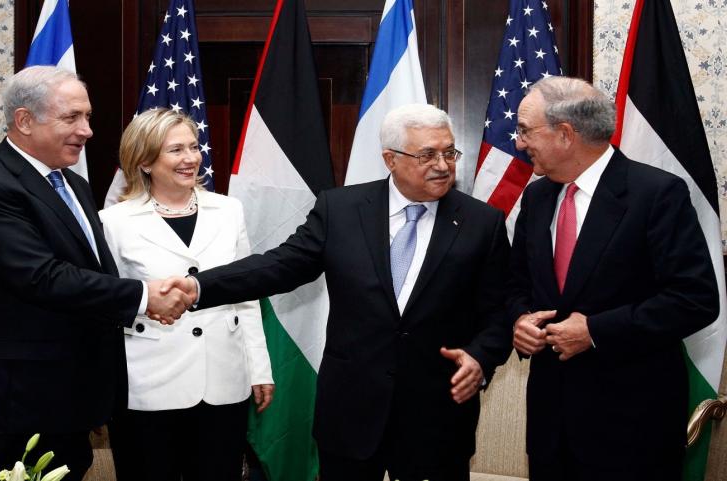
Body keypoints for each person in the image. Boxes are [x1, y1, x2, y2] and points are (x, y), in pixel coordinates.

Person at [165, 104, 514, 481]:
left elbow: (501, 310)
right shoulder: (342, 209)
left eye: (449, 152)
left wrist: (481, 358)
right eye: (427, 154)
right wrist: (200, 286)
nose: (443, 165)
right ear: (390, 159)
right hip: (351, 413)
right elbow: (280, 265)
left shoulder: (483, 222)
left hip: (438, 415)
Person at [0, 66, 194, 481]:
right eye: (71, 117)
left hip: (67, 400)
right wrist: (144, 298)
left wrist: (143, 299)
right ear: (24, 120)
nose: (87, 130)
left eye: (87, 116)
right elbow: (42, 277)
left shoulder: (73, 184)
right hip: (6, 407)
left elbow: (91, 271)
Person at [507, 77, 719, 481]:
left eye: (524, 130)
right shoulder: (536, 198)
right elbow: (515, 284)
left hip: (631, 428)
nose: (518, 143)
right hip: (552, 427)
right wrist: (520, 320)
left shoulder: (655, 194)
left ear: (565, 134)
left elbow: (695, 299)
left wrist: (596, 331)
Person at [99, 109, 274, 481]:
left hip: (224, 381)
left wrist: (259, 368)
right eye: (175, 149)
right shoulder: (113, 221)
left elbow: (246, 294)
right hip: (148, 383)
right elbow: (107, 302)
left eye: (194, 147)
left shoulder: (229, 210)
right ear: (145, 160)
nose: (191, 158)